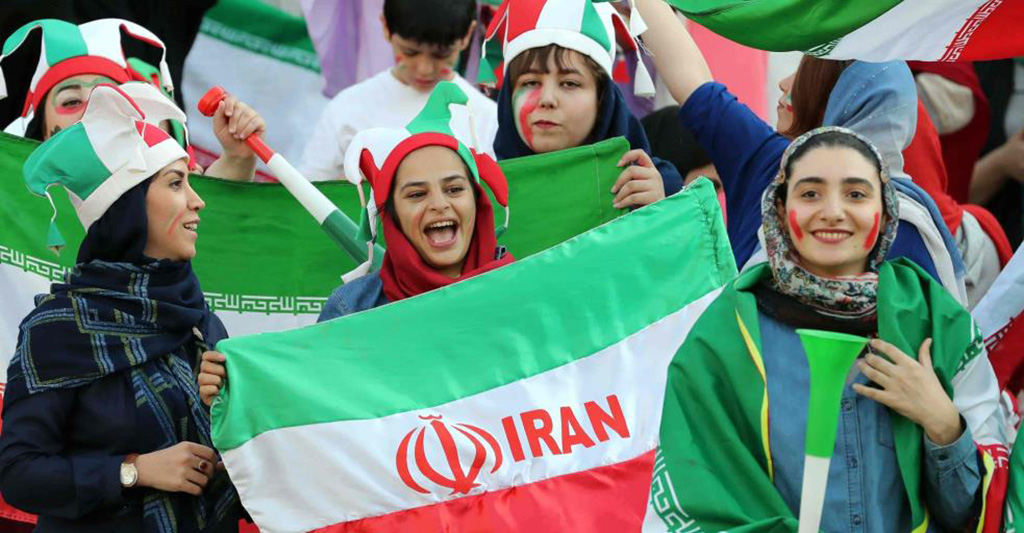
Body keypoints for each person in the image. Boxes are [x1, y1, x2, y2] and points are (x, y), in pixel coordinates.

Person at [652, 127, 1006, 532]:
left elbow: (975, 512)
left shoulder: (932, 323)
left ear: (887, 212)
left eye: (856, 194)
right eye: (810, 193)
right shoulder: (726, 335)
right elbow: (698, 497)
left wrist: (944, 425)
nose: (833, 211)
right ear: (780, 209)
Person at [0, 85, 241, 532]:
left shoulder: (199, 320)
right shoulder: (58, 329)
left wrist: (229, 416)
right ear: (128, 209)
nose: (197, 200)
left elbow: (240, 468)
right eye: (176, 183)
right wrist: (133, 471)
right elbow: (19, 473)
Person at [198, 82, 514, 405]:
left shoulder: (522, 290)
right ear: (390, 216)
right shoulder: (352, 310)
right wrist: (235, 388)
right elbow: (307, 408)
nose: (439, 204)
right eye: (417, 194)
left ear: (478, 201)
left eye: (455, 189)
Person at [635, 0, 968, 302]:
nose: (784, 83)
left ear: (833, 101)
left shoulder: (771, 167)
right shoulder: (909, 222)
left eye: (805, 74)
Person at [0, 18, 267, 182]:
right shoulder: (10, 193)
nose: (92, 110)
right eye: (71, 101)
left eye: (108, 96)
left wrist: (238, 158)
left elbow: (215, 229)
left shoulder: (161, 189)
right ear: (41, 128)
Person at [483, 0, 683, 210]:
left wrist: (662, 212)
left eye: (569, 84)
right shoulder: (480, 201)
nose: (547, 99)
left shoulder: (653, 187)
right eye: (531, 82)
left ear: (602, 100)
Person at [299, 0, 498, 181]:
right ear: (385, 27)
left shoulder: (486, 117)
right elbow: (307, 193)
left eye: (441, 54)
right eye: (410, 52)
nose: (424, 69)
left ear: (468, 35)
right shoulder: (347, 108)